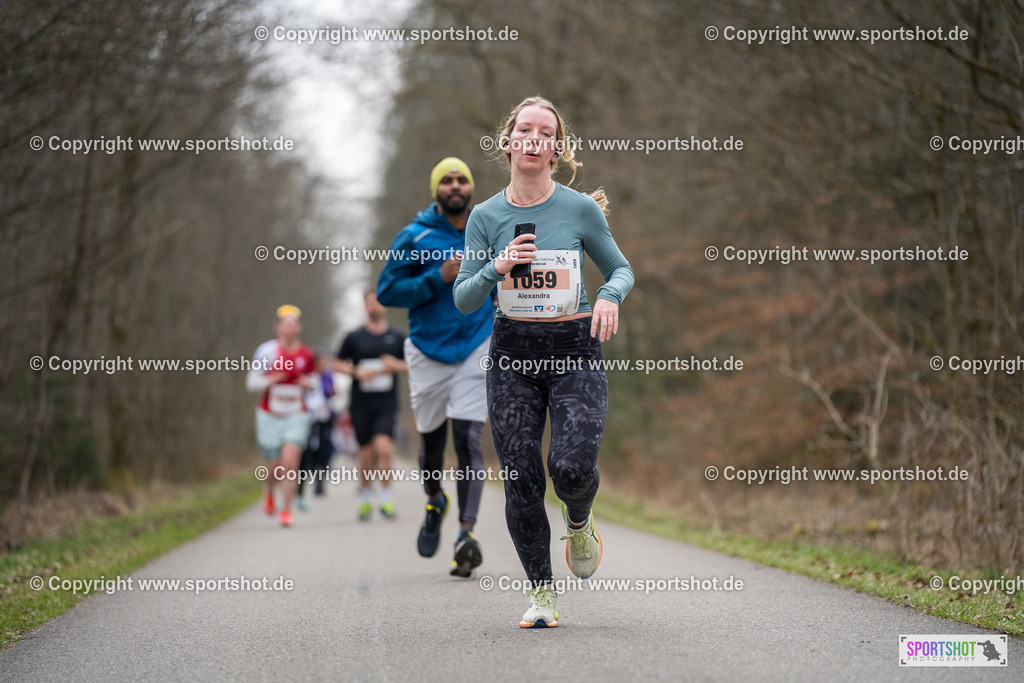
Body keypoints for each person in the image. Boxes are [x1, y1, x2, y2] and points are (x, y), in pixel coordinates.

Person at [453, 97, 633, 627]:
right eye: (524, 130)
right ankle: (541, 595)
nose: (533, 138)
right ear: (508, 143)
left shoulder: (579, 209)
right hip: (512, 356)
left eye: (545, 132)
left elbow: (620, 270)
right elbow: (464, 298)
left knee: (571, 468)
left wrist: (608, 297)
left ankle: (579, 520)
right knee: (522, 477)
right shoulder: (485, 217)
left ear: (555, 149)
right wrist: (495, 268)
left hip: (574, 349)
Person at [377, 157, 494, 578]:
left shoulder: (487, 229)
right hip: (428, 350)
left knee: (468, 438)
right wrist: (436, 278)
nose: (456, 185)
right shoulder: (414, 236)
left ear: (470, 187)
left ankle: (466, 535)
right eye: (447, 180)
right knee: (431, 444)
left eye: (462, 179)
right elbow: (387, 290)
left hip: (477, 346)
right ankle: (434, 500)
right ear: (436, 190)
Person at [335, 292, 407, 521]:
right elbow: (336, 363)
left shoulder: (397, 337)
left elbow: (413, 363)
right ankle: (366, 495)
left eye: (379, 300)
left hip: (387, 403)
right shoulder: (354, 337)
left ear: (385, 304)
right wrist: (357, 372)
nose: (375, 305)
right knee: (365, 453)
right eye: (370, 301)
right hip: (360, 404)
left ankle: (385, 497)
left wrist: (395, 365)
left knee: (384, 448)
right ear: (365, 306)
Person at [246, 305, 317, 528]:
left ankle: (286, 511)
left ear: (299, 328)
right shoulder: (266, 351)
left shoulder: (307, 354)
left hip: (296, 415)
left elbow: (316, 385)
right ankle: (268, 489)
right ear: (278, 328)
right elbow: (251, 383)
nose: (289, 329)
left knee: (290, 462)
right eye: (285, 324)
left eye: (293, 324)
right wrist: (270, 380)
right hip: (270, 414)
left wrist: (309, 384)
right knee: (275, 466)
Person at [296, 349, 336, 511]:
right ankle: (300, 490)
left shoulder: (327, 376)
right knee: (306, 455)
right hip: (306, 419)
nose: (323, 364)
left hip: (324, 418)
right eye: (321, 361)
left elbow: (332, 392)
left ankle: (320, 482)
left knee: (324, 451)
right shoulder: (306, 375)